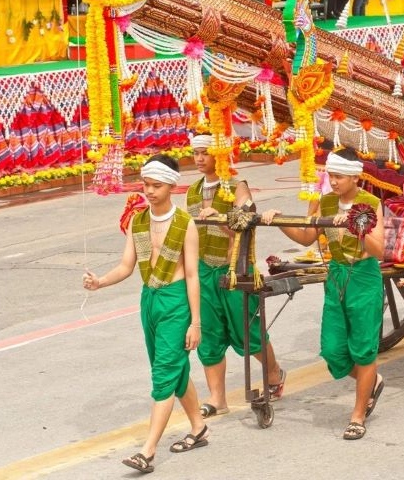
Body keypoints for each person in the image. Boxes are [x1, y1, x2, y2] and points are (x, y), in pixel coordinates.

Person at [82, 154, 207, 474]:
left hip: (176, 303)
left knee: (164, 374)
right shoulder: (138, 221)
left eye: (156, 185)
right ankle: (198, 428)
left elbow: (193, 275)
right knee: (173, 369)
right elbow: (126, 265)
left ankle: (147, 451)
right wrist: (100, 282)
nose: (149, 191)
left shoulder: (185, 224)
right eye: (146, 185)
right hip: (149, 301)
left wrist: (196, 322)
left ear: (171, 186)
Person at [261, 148, 386, 440]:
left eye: (340, 176)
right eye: (331, 174)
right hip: (337, 276)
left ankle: (357, 415)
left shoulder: (371, 203)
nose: (334, 180)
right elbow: (307, 236)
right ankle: (372, 382)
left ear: (356, 177)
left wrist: (357, 228)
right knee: (332, 352)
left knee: (364, 350)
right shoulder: (326, 201)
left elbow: (378, 251)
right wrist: (278, 220)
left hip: (364, 278)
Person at [186, 135, 286, 419]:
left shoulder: (237, 187)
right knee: (209, 335)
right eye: (196, 153)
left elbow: (245, 228)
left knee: (249, 332)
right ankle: (218, 399)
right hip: (204, 270)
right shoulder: (192, 191)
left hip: (235, 268)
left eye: (205, 152)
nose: (200, 158)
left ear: (220, 154)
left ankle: (275, 373)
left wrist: (220, 217)